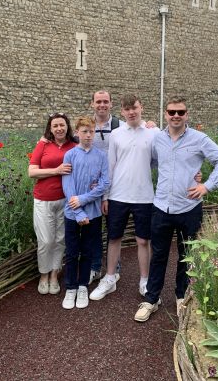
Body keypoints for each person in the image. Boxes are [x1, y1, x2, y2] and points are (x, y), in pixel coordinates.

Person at [134, 96, 218, 322]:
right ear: (165, 114)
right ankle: (151, 299)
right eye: (171, 112)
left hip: (189, 207)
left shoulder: (199, 139)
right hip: (161, 207)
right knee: (158, 255)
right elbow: (155, 163)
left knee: (187, 256)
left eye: (180, 112)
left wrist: (206, 185)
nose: (176, 116)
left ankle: (182, 296)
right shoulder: (158, 139)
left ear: (187, 115)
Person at [90, 94, 161, 301]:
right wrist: (105, 196)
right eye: (127, 109)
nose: (131, 112)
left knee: (142, 240)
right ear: (121, 111)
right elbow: (110, 166)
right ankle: (110, 278)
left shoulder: (153, 133)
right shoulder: (116, 134)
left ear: (141, 108)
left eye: (135, 108)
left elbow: (160, 160)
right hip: (117, 196)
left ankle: (145, 281)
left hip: (144, 196)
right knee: (113, 238)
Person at [61, 116, 109, 309]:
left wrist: (83, 199)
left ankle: (83, 286)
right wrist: (78, 211)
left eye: (91, 131)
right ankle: (71, 287)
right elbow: (67, 184)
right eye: (84, 131)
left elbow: (105, 183)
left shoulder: (101, 156)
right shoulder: (70, 155)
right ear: (77, 133)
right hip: (72, 214)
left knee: (88, 251)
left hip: (94, 213)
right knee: (72, 252)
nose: (88, 135)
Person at [28, 113, 77, 295]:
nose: (59, 128)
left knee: (59, 239)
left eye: (62, 125)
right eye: (55, 125)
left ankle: (55, 274)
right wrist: (56, 170)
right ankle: (43, 274)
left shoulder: (74, 145)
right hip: (43, 199)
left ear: (67, 126)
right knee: (46, 240)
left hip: (65, 200)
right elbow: (32, 172)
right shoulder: (43, 145)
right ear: (50, 128)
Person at [89, 90, 123, 284]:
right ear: (92, 104)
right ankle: (95, 267)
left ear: (111, 104)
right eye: (98, 101)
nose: (102, 105)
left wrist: (151, 126)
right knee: (93, 230)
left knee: (113, 231)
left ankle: (114, 269)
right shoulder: (85, 127)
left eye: (105, 102)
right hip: (92, 189)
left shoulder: (120, 127)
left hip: (115, 188)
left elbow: (142, 132)